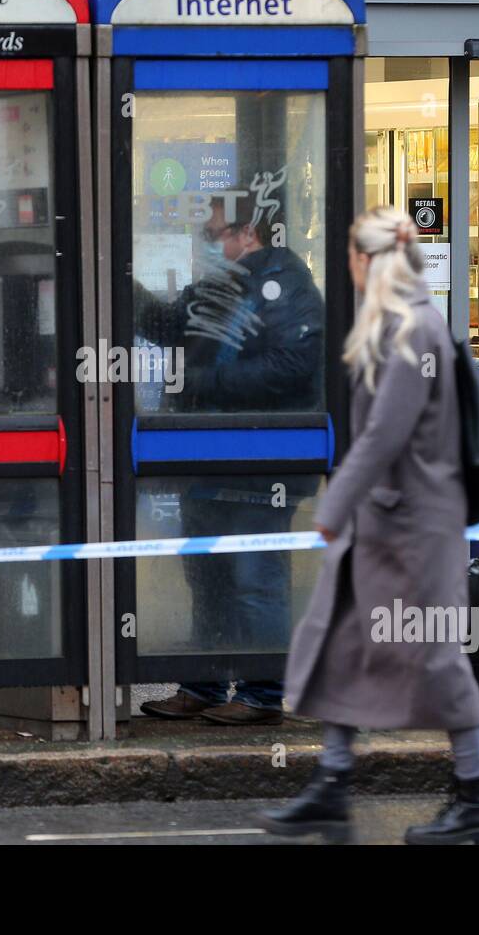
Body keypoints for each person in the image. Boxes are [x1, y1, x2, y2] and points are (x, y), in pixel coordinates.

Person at [256, 206, 479, 844]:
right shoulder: (400, 324)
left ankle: (475, 795)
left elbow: (381, 437)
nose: (347, 267)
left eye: (350, 255)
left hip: (417, 530)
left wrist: (330, 512)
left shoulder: (411, 330)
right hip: (390, 524)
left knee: (439, 655)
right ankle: (333, 784)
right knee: (343, 644)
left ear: (367, 260)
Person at [136, 195, 324, 726]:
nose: (208, 244)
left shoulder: (286, 284)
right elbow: (168, 326)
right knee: (208, 576)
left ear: (249, 232)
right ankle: (204, 682)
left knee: (254, 577)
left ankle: (263, 692)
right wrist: (117, 274)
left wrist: (204, 383)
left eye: (214, 234)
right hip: (205, 457)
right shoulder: (220, 284)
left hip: (260, 460)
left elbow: (294, 363)